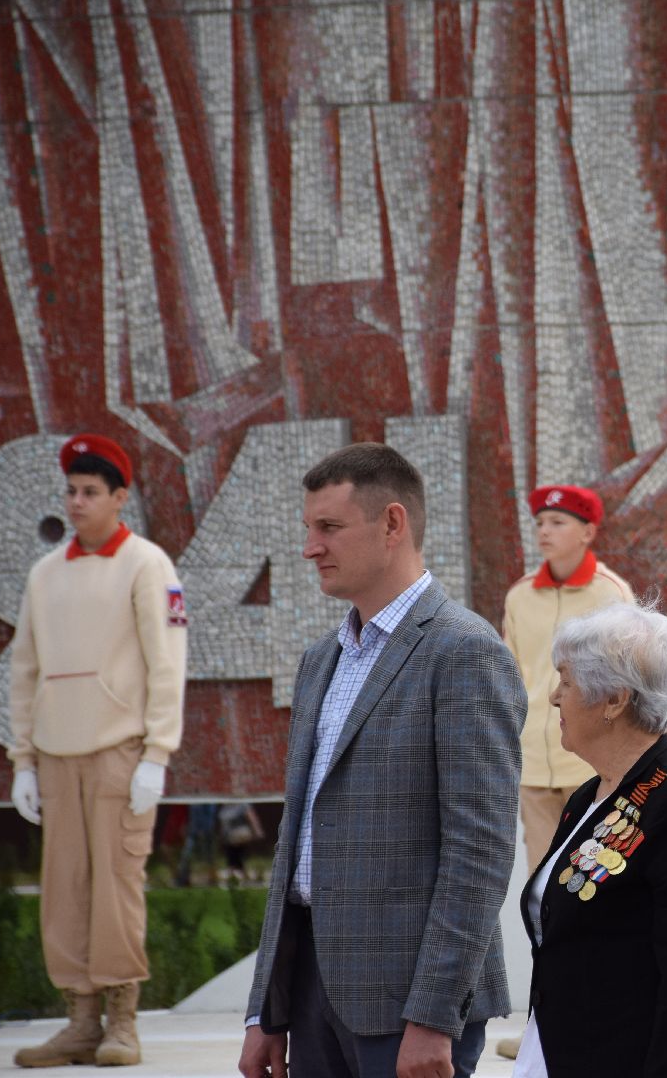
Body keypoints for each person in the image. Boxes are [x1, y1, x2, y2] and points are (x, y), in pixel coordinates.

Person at [238, 443, 526, 1078]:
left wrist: (434, 1017)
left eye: (330, 528)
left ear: (393, 523)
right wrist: (266, 1010)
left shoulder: (465, 652)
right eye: (308, 529)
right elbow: (296, 847)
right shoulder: (322, 658)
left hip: (409, 1010)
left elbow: (479, 854)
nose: (311, 547)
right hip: (312, 994)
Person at [7, 432, 188, 1068]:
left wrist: (156, 754)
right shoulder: (44, 574)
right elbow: (24, 670)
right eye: (71, 491)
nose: (77, 502)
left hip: (119, 750)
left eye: (90, 492)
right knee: (65, 891)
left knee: (116, 889)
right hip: (56, 754)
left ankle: (121, 1024)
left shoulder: (146, 564)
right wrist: (22, 761)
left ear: (120, 498)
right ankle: (79, 1023)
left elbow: (167, 664)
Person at [513, 602, 667, 1078]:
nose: (554, 698)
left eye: (567, 682)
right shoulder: (587, 798)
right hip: (567, 1050)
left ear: (614, 700)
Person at [494, 483, 633, 1060]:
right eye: (541, 521)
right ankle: (542, 1024)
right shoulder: (520, 596)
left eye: (558, 521)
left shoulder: (613, 594)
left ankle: (607, 1011)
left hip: (595, 768)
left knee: (601, 895)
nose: (545, 530)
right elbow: (508, 678)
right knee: (543, 900)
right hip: (534, 768)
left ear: (588, 531)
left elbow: (631, 679)